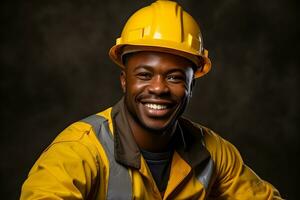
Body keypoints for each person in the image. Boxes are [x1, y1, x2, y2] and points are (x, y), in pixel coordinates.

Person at [20, 0, 283, 199]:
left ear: (192, 86)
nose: (159, 88)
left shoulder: (214, 153)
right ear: (125, 80)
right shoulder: (78, 150)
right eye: (145, 74)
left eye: (175, 77)